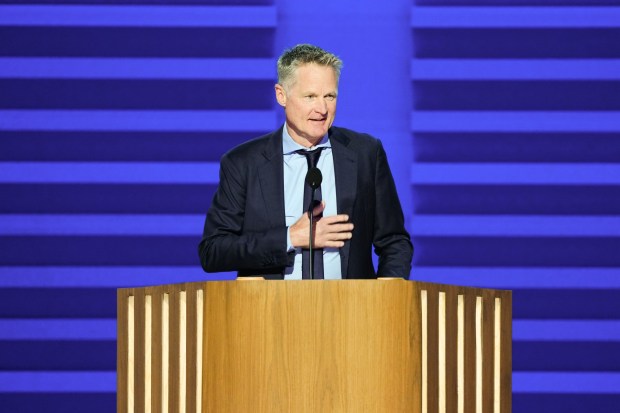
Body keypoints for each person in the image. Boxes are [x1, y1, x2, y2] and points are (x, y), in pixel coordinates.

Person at [198, 44, 412, 279]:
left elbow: (394, 241)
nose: (322, 109)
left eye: (329, 96)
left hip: (353, 311)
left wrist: (386, 298)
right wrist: (290, 238)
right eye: (310, 96)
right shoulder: (243, 163)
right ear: (282, 95)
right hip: (269, 311)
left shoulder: (366, 154)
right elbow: (213, 251)